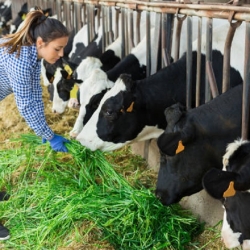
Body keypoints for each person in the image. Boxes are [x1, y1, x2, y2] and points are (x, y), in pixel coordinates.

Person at [0, 7, 71, 240]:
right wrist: (49, 136)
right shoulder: (21, 59)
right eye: (57, 48)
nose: (61, 54)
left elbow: (34, 95)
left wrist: (43, 128)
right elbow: (26, 104)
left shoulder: (31, 53)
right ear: (41, 42)